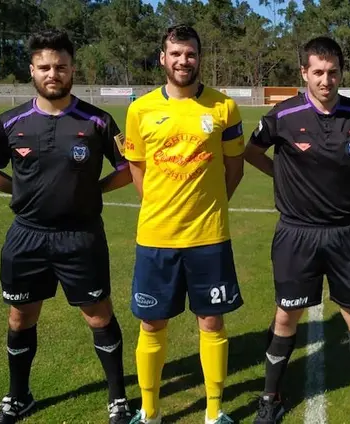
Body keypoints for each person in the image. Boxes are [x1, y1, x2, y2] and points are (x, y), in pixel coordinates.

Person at [0, 30, 134, 424]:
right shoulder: (10, 121)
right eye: (44, 67)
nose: (53, 73)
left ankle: (118, 400)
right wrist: (22, 190)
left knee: (98, 316)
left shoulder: (98, 120)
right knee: (20, 317)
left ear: (72, 69)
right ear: (32, 70)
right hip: (27, 235)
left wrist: (95, 190)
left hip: (81, 236)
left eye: (60, 67)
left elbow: (129, 167)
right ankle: (18, 396)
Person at [244, 36, 350, 424]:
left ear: (341, 73)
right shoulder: (282, 116)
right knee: (285, 316)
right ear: (304, 73)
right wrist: (282, 174)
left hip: (346, 233)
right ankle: (270, 397)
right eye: (318, 73)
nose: (326, 80)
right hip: (297, 234)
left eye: (332, 73)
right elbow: (251, 152)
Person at [123, 24, 245, 424]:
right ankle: (150, 411)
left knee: (211, 320)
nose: (183, 61)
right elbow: (137, 171)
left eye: (190, 53)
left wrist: (206, 207)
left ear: (199, 57)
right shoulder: (140, 110)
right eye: (175, 54)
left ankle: (214, 412)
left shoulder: (224, 107)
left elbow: (234, 169)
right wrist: (164, 206)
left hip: (209, 237)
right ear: (163, 58)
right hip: (156, 236)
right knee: (152, 321)